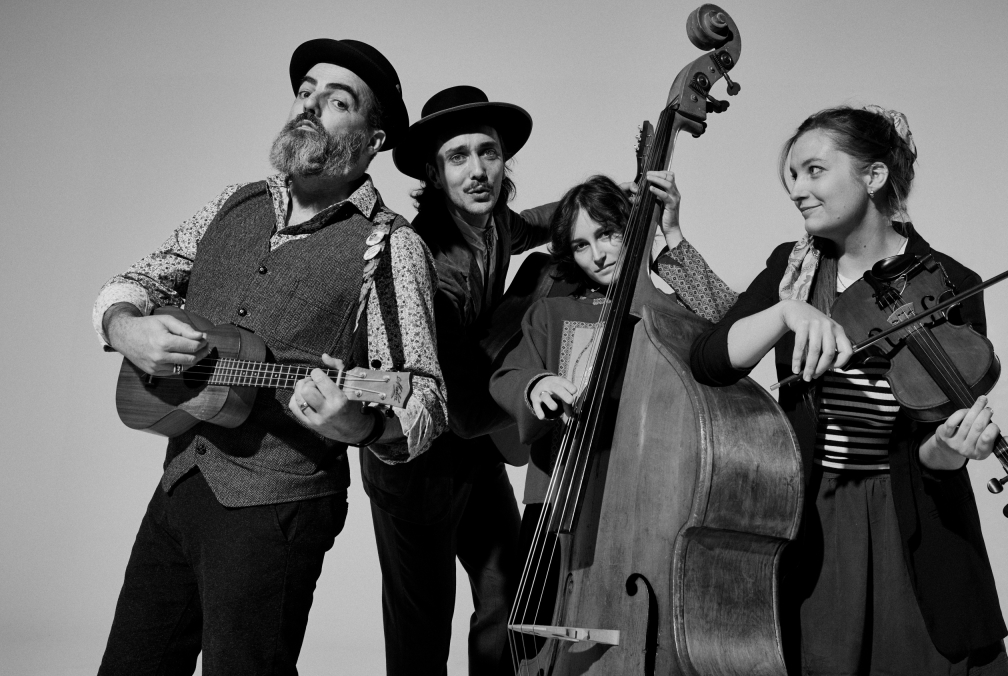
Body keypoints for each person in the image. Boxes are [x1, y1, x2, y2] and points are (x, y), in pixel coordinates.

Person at [93, 39, 447, 676]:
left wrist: (361, 426)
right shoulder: (235, 203)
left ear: (373, 140)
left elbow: (425, 396)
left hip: (278, 506)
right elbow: (138, 280)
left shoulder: (391, 246)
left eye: (337, 101)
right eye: (305, 92)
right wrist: (125, 328)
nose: (309, 105)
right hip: (180, 483)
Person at [689, 106, 1008, 675]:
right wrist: (786, 312)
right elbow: (711, 361)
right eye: (793, 176)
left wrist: (950, 450)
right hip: (815, 516)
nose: (798, 189)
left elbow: (933, 447)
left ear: (874, 176)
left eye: (814, 171)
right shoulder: (792, 270)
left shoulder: (949, 282)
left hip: (910, 518)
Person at [362, 85, 559, 676]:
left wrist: (603, 202)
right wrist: (548, 391)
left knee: (510, 596)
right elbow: (467, 411)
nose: (478, 171)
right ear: (433, 172)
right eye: (458, 157)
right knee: (422, 632)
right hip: (417, 456)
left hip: (472, 452)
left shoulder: (493, 221)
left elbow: (533, 225)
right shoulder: (423, 256)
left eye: (488, 152)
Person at [490, 172, 736, 549]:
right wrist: (537, 385)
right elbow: (507, 375)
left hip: (646, 499)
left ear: (631, 229)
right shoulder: (552, 313)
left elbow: (724, 318)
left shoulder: (666, 314)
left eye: (606, 234)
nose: (598, 255)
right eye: (581, 245)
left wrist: (670, 233)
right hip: (558, 500)